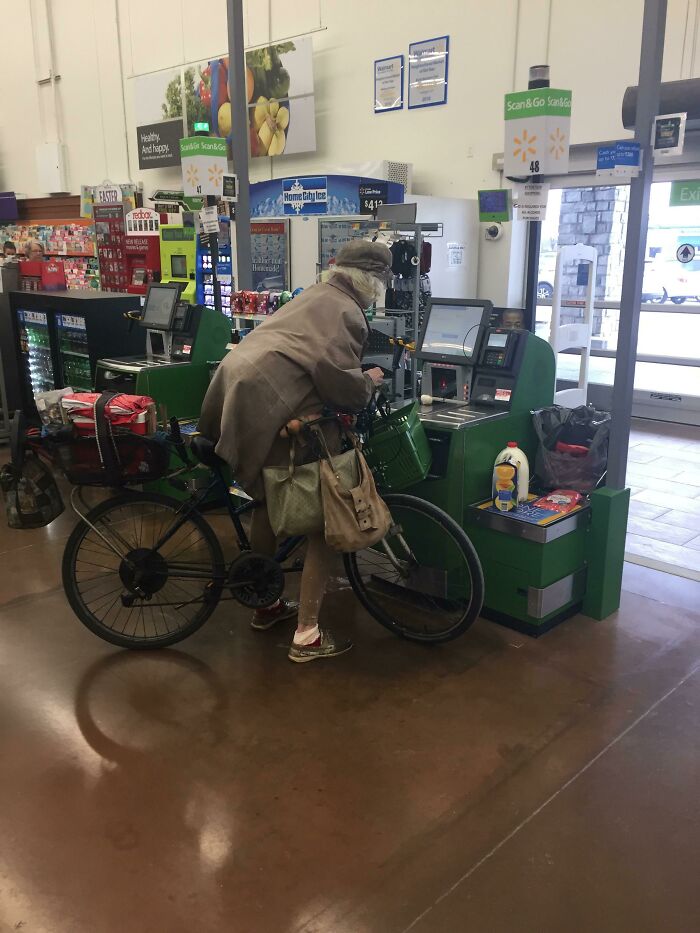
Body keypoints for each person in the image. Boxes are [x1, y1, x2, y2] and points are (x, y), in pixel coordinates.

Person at [199, 239, 390, 663]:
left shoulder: (316, 294)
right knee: (326, 520)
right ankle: (307, 635)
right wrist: (371, 380)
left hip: (235, 397)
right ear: (373, 282)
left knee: (268, 501)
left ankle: (264, 604)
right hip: (265, 407)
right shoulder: (347, 312)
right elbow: (339, 381)